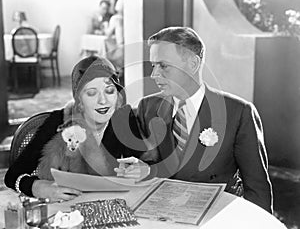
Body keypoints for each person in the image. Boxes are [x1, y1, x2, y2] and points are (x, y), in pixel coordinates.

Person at [136, 26, 273, 213]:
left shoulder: (238, 113)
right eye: (153, 65)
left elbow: (257, 189)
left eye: (164, 66)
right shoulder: (148, 107)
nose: (154, 75)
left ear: (193, 64)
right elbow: (145, 168)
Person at [4, 56, 148, 202]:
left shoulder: (123, 119)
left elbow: (147, 163)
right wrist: (39, 187)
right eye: (91, 93)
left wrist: (144, 169)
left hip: (111, 207)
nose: (103, 101)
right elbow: (12, 176)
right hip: (65, 212)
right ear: (79, 99)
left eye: (109, 91)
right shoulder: (58, 122)